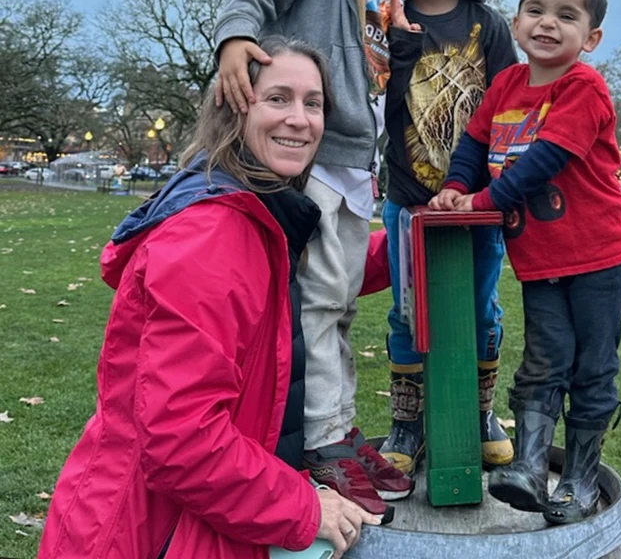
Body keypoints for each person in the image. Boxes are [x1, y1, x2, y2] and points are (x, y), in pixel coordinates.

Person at [38, 37, 381, 559]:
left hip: (201, 518)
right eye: (278, 98)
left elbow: (319, 279)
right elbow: (182, 441)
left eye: (313, 103)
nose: (299, 119)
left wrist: (415, 243)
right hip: (153, 533)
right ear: (235, 108)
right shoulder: (213, 235)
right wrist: (307, 507)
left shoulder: (258, 215)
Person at [212, 0, 429, 511]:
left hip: (358, 158)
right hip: (313, 148)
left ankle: (336, 426)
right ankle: (319, 438)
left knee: (335, 308)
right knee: (317, 302)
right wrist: (237, 37)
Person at [430, 0, 621, 525]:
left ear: (589, 38)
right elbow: (474, 146)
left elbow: (545, 160)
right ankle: (526, 466)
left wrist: (485, 201)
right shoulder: (506, 87)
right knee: (544, 361)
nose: (548, 23)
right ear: (516, 22)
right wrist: (456, 186)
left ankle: (579, 477)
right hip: (541, 261)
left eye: (566, 16)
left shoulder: (583, 87)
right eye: (536, 11)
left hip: (597, 256)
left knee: (592, 367)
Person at [379, 0, 518, 475]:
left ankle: (480, 409)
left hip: (478, 203)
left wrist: (497, 186)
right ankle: (408, 422)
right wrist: (399, 47)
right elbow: (382, 102)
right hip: (409, 199)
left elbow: (511, 104)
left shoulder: (487, 24)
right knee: (406, 312)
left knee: (481, 307)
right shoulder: (387, 15)